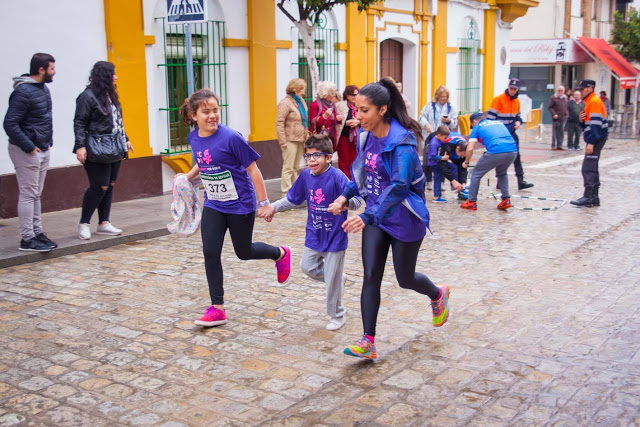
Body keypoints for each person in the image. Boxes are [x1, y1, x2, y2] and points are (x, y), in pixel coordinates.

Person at [328, 78, 450, 360]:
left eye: (365, 110)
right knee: (371, 276)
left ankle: (437, 294)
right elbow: (363, 175)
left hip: (405, 218)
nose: (358, 116)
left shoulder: (402, 142)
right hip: (377, 219)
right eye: (356, 110)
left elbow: (399, 186)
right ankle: (367, 340)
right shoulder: (367, 135)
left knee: (405, 278)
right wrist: (344, 197)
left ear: (382, 110)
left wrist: (367, 214)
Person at [178, 89, 292, 327]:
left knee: (243, 251)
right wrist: (188, 177)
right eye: (205, 112)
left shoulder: (231, 137)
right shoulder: (194, 138)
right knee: (210, 251)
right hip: (214, 203)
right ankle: (217, 308)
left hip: (240, 204)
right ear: (193, 115)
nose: (212, 116)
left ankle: (280, 253)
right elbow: (203, 159)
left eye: (215, 111)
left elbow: (253, 170)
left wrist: (263, 203)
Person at [260, 134, 363, 331]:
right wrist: (273, 207)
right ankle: (336, 278)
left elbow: (357, 201)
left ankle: (337, 315)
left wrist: (344, 204)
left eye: (317, 156)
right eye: (308, 156)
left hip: (335, 237)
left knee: (332, 280)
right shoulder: (306, 176)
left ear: (329, 157)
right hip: (314, 234)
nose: (312, 160)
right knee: (307, 267)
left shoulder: (338, 177)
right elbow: (293, 199)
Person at [3, 53, 58, 252]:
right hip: (26, 150)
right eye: (51, 69)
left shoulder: (42, 89)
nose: (54, 72)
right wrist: (29, 146)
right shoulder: (23, 92)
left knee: (36, 194)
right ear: (41, 70)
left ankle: (37, 232)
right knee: (28, 194)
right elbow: (10, 123)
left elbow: (44, 119)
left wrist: (47, 141)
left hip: (42, 148)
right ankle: (27, 238)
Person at [73, 61, 133, 240]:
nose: (116, 77)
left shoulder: (111, 95)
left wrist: (126, 139)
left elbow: (117, 121)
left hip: (115, 145)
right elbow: (79, 122)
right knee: (99, 186)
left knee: (110, 186)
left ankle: (104, 222)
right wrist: (80, 146)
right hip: (96, 147)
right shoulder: (87, 96)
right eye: (113, 74)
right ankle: (84, 223)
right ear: (104, 76)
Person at [460, 112, 518, 211]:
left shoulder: (477, 127)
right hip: (512, 151)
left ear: (474, 121)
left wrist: (466, 162)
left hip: (496, 151)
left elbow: (470, 148)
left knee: (476, 174)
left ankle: (471, 201)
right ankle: (506, 199)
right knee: (502, 173)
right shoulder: (498, 123)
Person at [487, 78, 534, 190]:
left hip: (511, 132)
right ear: (508, 87)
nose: (512, 90)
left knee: (516, 156)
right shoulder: (498, 100)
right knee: (501, 157)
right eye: (511, 88)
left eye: (514, 89)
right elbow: (490, 119)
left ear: (517, 89)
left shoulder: (517, 101)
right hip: (500, 133)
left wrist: (518, 121)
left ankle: (520, 180)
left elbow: (518, 115)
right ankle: (500, 180)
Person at [571, 80, 608, 207]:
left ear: (590, 88)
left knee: (587, 168)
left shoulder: (594, 102)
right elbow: (588, 123)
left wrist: (591, 142)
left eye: (582, 89)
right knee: (593, 167)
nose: (580, 92)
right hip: (596, 138)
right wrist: (581, 121)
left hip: (596, 139)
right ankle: (594, 197)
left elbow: (596, 125)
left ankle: (588, 196)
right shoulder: (589, 102)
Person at [419, 85, 459, 190]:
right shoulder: (430, 106)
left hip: (443, 138)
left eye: (445, 96)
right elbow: (421, 117)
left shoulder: (451, 108)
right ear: (437, 96)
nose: (443, 98)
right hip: (430, 135)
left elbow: (454, 123)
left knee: (442, 160)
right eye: (441, 96)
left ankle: (441, 181)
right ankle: (428, 180)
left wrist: (448, 121)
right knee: (428, 159)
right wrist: (426, 124)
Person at [276, 78, 309, 193]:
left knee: (295, 167)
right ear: (295, 89)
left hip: (301, 138)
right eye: (302, 89)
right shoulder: (285, 103)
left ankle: (294, 191)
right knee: (288, 167)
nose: (304, 91)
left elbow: (304, 120)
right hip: (290, 139)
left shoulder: (301, 101)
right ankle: (285, 192)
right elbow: (279, 122)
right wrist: (282, 140)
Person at [427, 125, 463, 203]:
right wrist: (442, 158)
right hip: (434, 164)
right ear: (439, 135)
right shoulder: (434, 143)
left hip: (439, 162)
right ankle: (436, 196)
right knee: (438, 178)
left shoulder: (440, 140)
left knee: (453, 167)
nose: (445, 139)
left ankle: (453, 185)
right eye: (444, 138)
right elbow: (431, 156)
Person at [335, 85, 360, 179]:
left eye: (356, 94)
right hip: (344, 137)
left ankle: (353, 181)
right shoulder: (340, 105)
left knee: (355, 160)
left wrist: (358, 122)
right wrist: (346, 122)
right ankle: (344, 181)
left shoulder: (361, 106)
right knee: (344, 161)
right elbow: (334, 121)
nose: (354, 97)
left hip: (356, 138)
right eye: (352, 95)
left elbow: (367, 119)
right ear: (347, 95)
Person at [309, 81, 342, 150]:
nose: (334, 95)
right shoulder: (315, 105)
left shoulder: (332, 104)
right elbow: (313, 123)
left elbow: (333, 121)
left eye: (334, 92)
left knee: (328, 158)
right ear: (325, 93)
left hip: (331, 137)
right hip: (319, 138)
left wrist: (338, 119)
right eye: (332, 93)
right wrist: (324, 116)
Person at [548, 85, 568, 150]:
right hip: (556, 118)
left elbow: (567, 107)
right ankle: (553, 145)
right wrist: (554, 114)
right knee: (554, 133)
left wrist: (567, 114)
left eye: (561, 90)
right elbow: (550, 107)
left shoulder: (565, 98)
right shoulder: (553, 97)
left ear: (564, 91)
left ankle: (559, 145)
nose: (560, 92)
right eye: (559, 90)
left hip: (563, 118)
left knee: (561, 132)